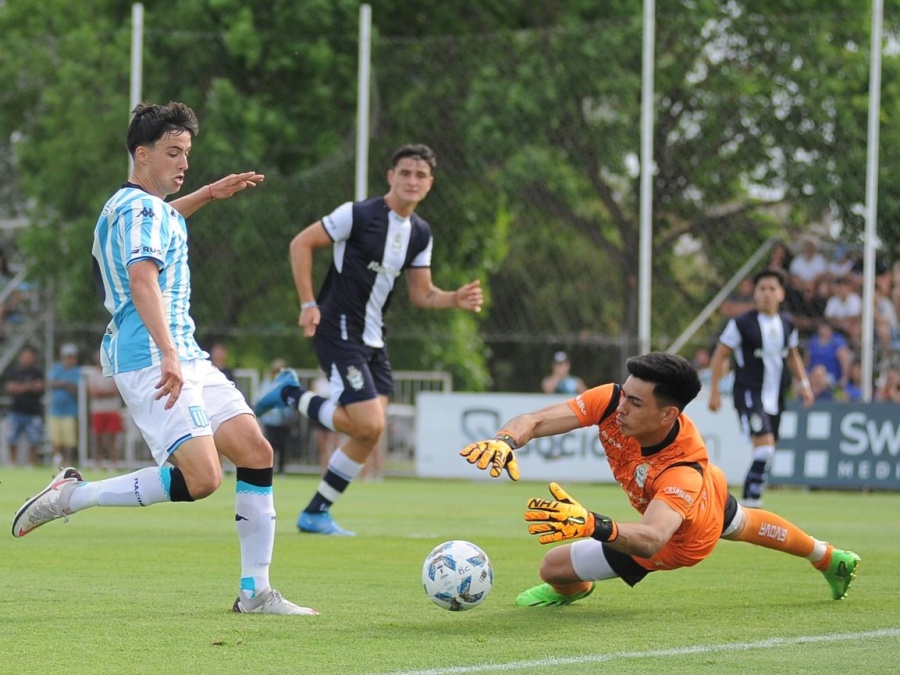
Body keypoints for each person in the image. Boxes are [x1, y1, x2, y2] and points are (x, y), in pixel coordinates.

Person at [11, 101, 315, 616]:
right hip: (152, 356)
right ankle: (73, 495)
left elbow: (163, 219)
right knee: (202, 479)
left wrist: (209, 194)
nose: (183, 163)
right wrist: (170, 355)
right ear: (142, 153)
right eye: (173, 153)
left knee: (254, 450)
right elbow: (141, 278)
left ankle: (255, 592)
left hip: (182, 353)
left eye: (187, 154)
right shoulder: (140, 210)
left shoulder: (134, 206)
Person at [458, 352, 860, 607]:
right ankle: (827, 557)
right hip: (707, 489)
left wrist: (592, 524)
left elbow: (652, 538)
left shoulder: (682, 472)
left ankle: (576, 588)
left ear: (668, 414)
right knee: (743, 522)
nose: (621, 408)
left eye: (636, 403)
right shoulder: (613, 401)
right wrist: (506, 441)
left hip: (684, 537)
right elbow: (537, 419)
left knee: (552, 567)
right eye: (625, 394)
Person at [254, 143, 484, 536]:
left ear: (430, 184)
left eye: (421, 175)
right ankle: (290, 395)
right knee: (368, 421)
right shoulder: (358, 214)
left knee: (369, 430)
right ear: (390, 176)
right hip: (339, 329)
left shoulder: (420, 233)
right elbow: (300, 243)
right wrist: (309, 302)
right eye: (405, 173)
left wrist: (454, 299)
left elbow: (421, 293)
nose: (412, 181)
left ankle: (316, 512)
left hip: (374, 340)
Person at [708, 269, 815, 508]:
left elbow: (793, 355)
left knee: (767, 450)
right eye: (762, 289)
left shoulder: (787, 323)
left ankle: (748, 502)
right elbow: (720, 355)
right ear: (755, 294)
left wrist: (804, 384)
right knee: (765, 448)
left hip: (775, 397)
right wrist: (714, 391)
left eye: (772, 289)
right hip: (748, 393)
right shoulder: (742, 324)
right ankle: (749, 502)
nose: (767, 293)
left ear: (781, 294)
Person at [5, 345, 44, 466]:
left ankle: (31, 463)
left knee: (34, 439)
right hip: (16, 411)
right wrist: (28, 386)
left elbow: (40, 387)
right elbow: (10, 388)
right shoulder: (14, 372)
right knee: (12, 438)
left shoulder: (37, 372)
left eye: (30, 357)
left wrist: (20, 387)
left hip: (33, 412)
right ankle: (12, 462)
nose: (27, 359)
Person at [85, 348, 124, 470]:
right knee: (98, 438)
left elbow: (116, 391)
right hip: (98, 411)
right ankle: (98, 464)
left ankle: (113, 464)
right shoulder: (92, 374)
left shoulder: (113, 373)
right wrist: (107, 393)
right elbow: (93, 392)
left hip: (112, 410)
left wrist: (102, 393)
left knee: (112, 439)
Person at [257, 359, 296, 474]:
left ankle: (281, 469)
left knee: (283, 445)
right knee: (270, 445)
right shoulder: (266, 384)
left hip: (284, 420)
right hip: (270, 420)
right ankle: (269, 468)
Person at [47, 343, 81, 467]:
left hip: (70, 411)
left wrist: (61, 384)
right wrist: (65, 384)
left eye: (71, 357)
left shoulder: (77, 371)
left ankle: (68, 462)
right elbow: (50, 383)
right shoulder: (57, 368)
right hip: (55, 410)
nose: (69, 359)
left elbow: (75, 388)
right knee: (56, 439)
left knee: (69, 440)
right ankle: (57, 461)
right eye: (67, 357)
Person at [805, 319, 852, 391]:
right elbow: (807, 361)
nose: (823, 330)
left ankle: (812, 397)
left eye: (825, 328)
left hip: (831, 376)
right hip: (813, 374)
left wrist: (844, 378)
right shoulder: (813, 341)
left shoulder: (837, 342)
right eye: (822, 328)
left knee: (819, 373)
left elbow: (845, 362)